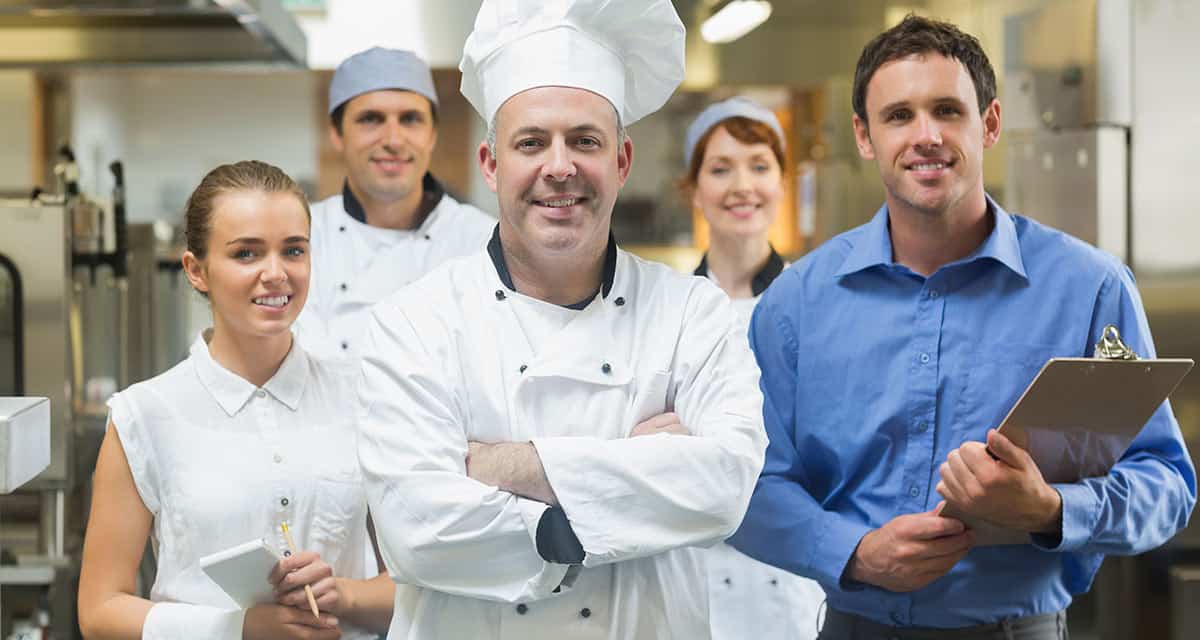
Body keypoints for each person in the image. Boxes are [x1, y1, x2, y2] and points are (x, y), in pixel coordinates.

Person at [728, 14, 1195, 640]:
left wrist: (1053, 509)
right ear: (865, 137)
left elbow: (1165, 485)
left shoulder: (1090, 289)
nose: (926, 136)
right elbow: (745, 483)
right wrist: (854, 552)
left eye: (948, 110)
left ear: (990, 124)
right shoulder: (796, 304)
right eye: (899, 116)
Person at [357, 1, 768, 638]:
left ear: (622, 160)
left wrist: (506, 466)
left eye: (585, 141)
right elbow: (416, 531)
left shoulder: (693, 313)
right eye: (531, 142)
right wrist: (632, 481)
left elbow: (725, 486)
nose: (559, 167)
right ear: (491, 164)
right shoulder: (412, 325)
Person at [77, 161, 394, 640]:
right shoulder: (145, 416)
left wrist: (342, 595)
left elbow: (420, 585)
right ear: (196, 270)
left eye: (293, 250)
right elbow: (100, 611)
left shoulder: (364, 399)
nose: (276, 273)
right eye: (246, 254)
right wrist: (238, 628)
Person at [680, 97, 825, 640]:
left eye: (759, 166)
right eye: (720, 169)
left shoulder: (819, 303)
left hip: (790, 581)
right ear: (694, 189)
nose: (742, 185)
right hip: (694, 574)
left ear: (782, 183)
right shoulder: (666, 310)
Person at [294, 47, 494, 361]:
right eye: (371, 119)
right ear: (336, 134)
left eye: (410, 119)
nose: (393, 140)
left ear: (432, 135)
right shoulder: (300, 238)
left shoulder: (482, 242)